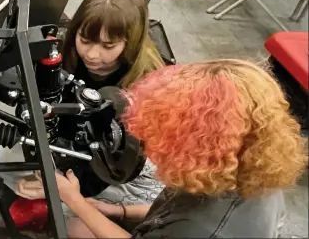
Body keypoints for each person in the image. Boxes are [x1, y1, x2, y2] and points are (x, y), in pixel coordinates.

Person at [41, 59, 307, 238]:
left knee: (74, 226)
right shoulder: (238, 168)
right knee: (79, 225)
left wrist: (73, 199)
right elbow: (174, 211)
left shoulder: (200, 228)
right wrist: (119, 211)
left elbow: (182, 224)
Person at [11, 0, 165, 232]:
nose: (93, 55)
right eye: (85, 40)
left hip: (108, 161)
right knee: (2, 160)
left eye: (108, 46)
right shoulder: (58, 50)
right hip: (66, 138)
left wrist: (59, 184)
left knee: (73, 220)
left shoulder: (149, 83)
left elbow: (119, 159)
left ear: (132, 41)